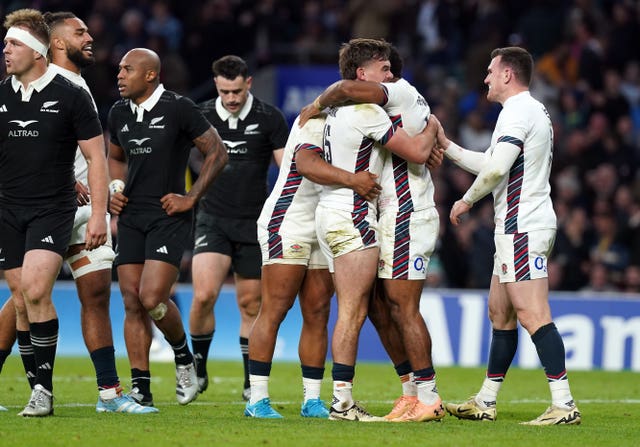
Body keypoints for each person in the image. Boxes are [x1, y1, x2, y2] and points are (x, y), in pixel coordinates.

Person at [299, 45, 445, 422]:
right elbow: (414, 151)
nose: (389, 75)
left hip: (335, 213)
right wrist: (431, 128)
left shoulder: (335, 113)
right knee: (355, 311)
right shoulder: (365, 110)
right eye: (382, 69)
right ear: (360, 75)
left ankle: (406, 395)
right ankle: (345, 402)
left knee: (375, 307)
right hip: (354, 213)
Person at [437, 47, 581, 425]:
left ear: (506, 75)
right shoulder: (528, 111)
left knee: (533, 314)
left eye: (489, 71)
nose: (485, 78)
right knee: (500, 313)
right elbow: (491, 161)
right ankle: (486, 400)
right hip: (516, 227)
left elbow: (497, 169)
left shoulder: (518, 111)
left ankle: (564, 405)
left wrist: (465, 201)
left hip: (523, 226)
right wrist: (447, 147)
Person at [44, 10, 156, 414]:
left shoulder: (78, 84)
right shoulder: (45, 85)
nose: (90, 36)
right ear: (57, 43)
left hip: (85, 209)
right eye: (80, 33)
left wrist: (101, 201)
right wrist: (59, 179)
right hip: (50, 206)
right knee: (26, 299)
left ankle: (109, 394)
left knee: (95, 294)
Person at [0, 8, 109, 417]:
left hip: (53, 208)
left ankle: (43, 391)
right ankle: (36, 389)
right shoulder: (2, 94)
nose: (6, 51)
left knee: (35, 289)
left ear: (36, 50)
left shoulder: (71, 95)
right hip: (8, 209)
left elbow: (97, 160)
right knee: (21, 299)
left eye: (13, 44)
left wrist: (99, 215)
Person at [108, 48, 228, 407]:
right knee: (131, 302)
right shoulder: (117, 113)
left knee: (151, 297)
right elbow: (115, 158)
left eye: (127, 69)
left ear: (150, 75)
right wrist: (115, 189)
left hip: (168, 215)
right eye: (119, 69)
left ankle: (182, 356)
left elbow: (218, 152)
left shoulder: (179, 107)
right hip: (131, 215)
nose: (119, 75)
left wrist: (191, 197)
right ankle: (141, 388)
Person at [245, 113, 381, 418]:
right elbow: (305, 164)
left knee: (318, 312)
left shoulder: (362, 121)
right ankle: (257, 399)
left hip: (325, 220)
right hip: (289, 217)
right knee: (275, 308)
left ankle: (312, 400)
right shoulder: (319, 118)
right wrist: (353, 180)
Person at [188, 55, 288, 400]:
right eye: (224, 91)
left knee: (250, 304)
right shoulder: (200, 115)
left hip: (253, 223)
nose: (231, 98)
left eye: (236, 91)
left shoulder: (269, 118)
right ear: (216, 85)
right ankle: (197, 371)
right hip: (212, 219)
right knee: (203, 296)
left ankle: (249, 383)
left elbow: (286, 169)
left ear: (248, 83)